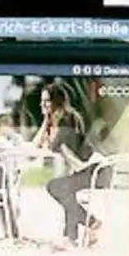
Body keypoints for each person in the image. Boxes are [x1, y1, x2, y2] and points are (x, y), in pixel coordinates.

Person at [35, 83, 111, 247]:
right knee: (64, 190)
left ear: (58, 101)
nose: (43, 104)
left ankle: (89, 225)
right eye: (42, 101)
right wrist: (45, 120)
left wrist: (47, 121)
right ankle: (72, 237)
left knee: (55, 187)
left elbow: (53, 146)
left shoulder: (68, 119)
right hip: (85, 169)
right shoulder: (54, 121)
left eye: (47, 101)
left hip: (96, 170)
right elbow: (36, 144)